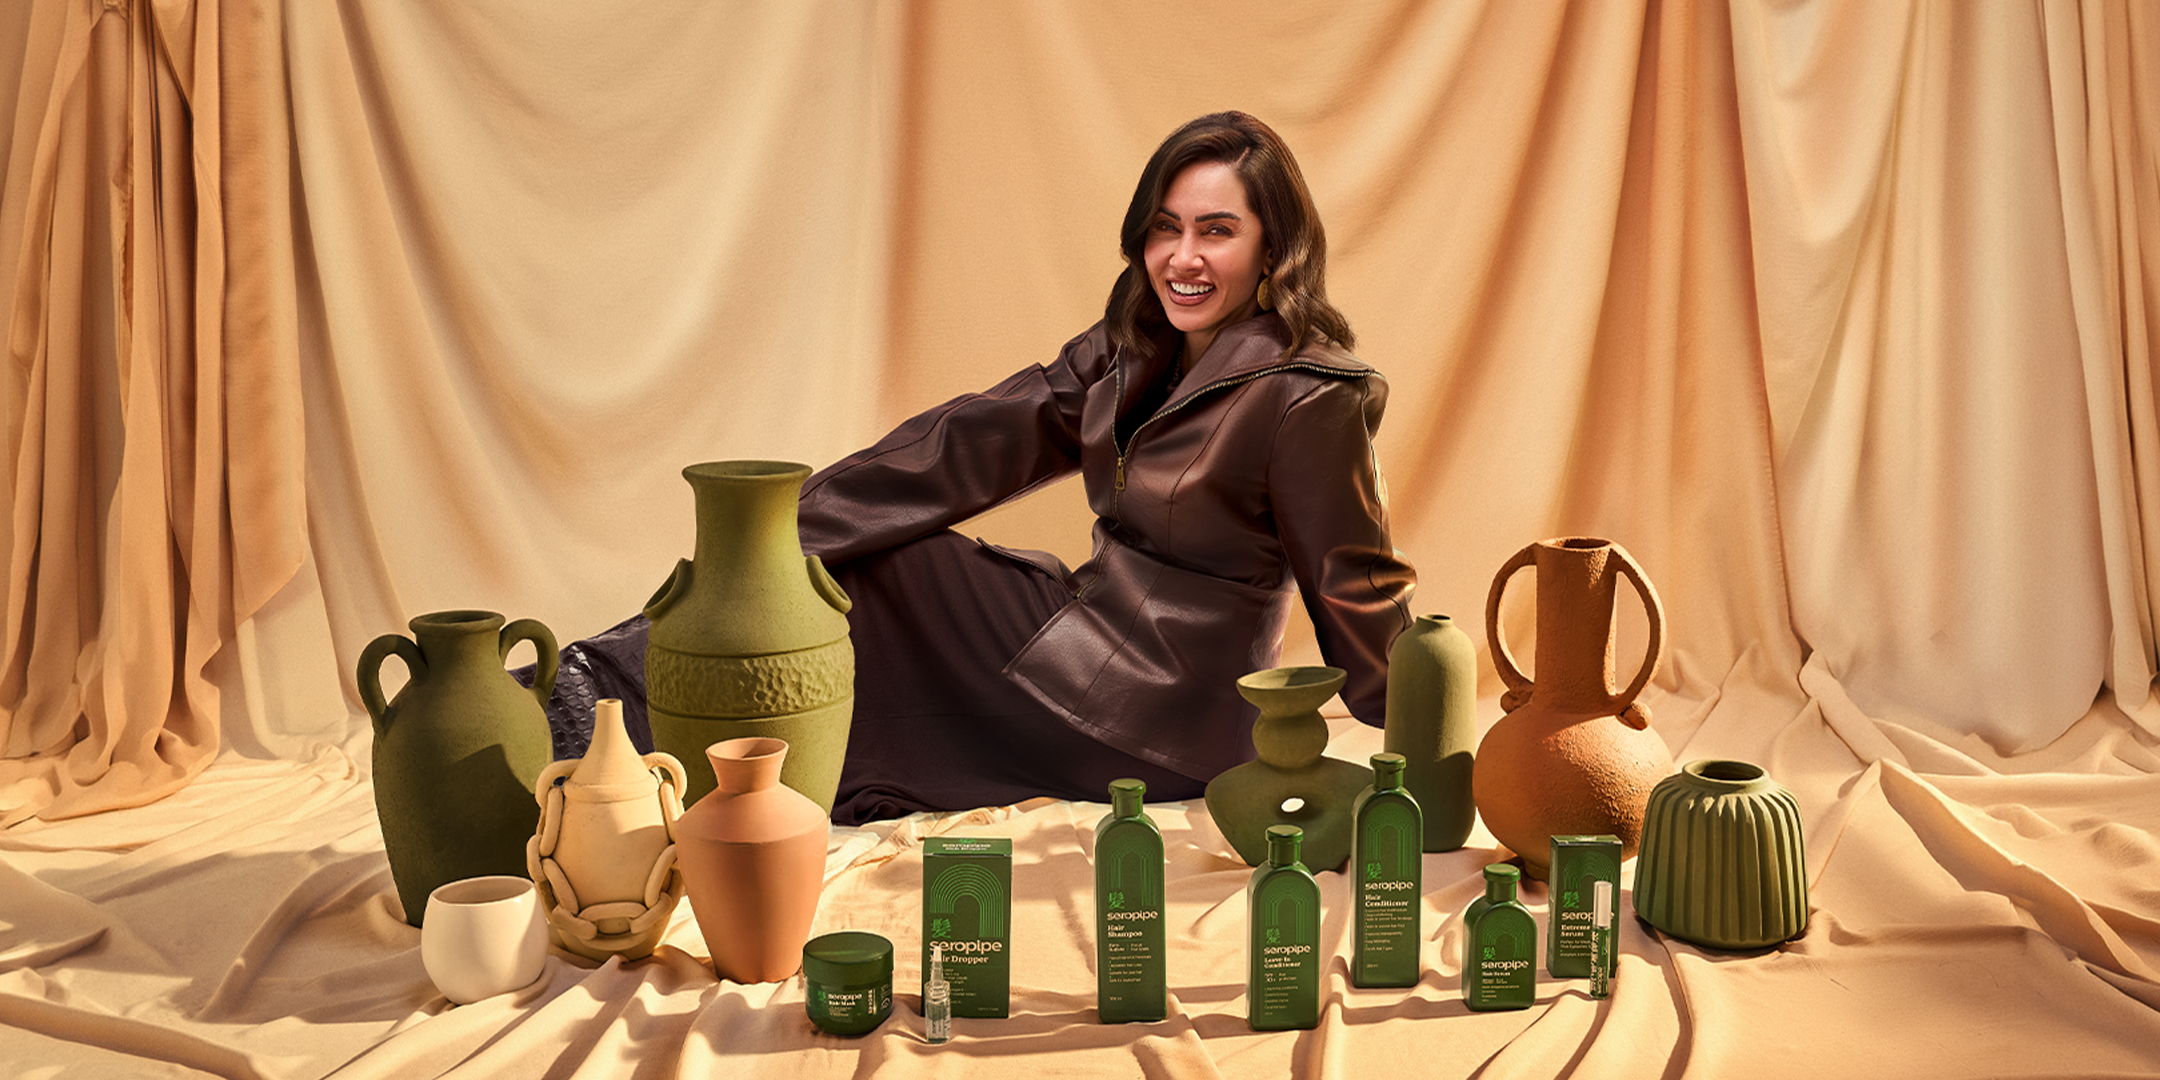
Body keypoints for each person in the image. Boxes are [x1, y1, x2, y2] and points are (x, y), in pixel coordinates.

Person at [537, 112, 1417, 825]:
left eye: (1217, 232)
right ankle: (608, 714)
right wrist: (762, 540)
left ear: (1274, 247)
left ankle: (593, 705)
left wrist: (1429, 752)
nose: (1181, 259)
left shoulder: (1310, 394)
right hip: (1083, 641)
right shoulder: (1131, 350)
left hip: (1176, 715)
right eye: (1165, 229)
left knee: (887, 573)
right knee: (863, 554)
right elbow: (968, 444)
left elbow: (1356, 586)